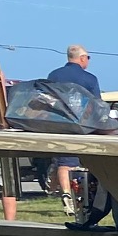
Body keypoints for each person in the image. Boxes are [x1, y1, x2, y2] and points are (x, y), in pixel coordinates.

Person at [46, 45, 101, 204]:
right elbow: (96, 103)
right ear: (82, 58)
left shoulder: (54, 75)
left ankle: (64, 193)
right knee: (77, 161)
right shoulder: (89, 78)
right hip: (82, 123)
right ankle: (74, 194)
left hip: (58, 121)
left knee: (64, 159)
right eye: (88, 58)